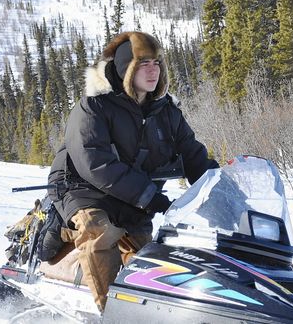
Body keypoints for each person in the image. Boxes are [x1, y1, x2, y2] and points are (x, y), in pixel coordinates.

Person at [47, 30, 218, 312]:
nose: (153, 70)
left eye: (156, 63)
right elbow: (95, 164)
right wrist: (149, 196)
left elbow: (192, 154)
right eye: (143, 64)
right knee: (100, 233)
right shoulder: (94, 105)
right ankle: (112, 314)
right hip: (81, 188)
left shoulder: (166, 111)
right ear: (127, 70)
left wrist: (220, 186)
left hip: (132, 195)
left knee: (147, 259)